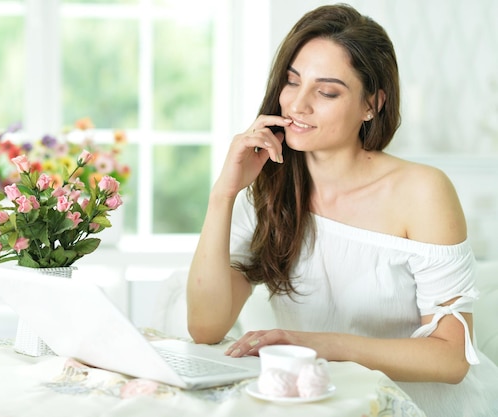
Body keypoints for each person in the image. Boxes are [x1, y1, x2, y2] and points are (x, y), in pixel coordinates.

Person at [186, 4, 498, 416]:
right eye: (292, 82)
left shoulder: (422, 191)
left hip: (422, 408)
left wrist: (317, 344)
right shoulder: (269, 188)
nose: (298, 105)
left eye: (326, 91)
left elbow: (452, 359)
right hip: (322, 405)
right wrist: (222, 194)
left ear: (372, 103)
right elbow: (206, 328)